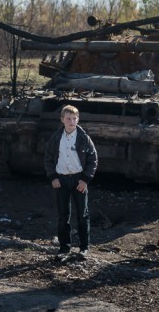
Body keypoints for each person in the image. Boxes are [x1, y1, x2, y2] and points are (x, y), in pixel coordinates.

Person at [43, 104, 98, 258]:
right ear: (62, 120)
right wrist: (53, 177)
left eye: (74, 118)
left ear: (78, 119)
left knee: (82, 215)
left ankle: (84, 248)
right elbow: (48, 158)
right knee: (63, 216)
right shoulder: (56, 138)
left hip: (78, 179)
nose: (72, 122)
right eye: (68, 118)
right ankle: (64, 247)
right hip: (61, 180)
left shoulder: (83, 138)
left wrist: (85, 180)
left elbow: (93, 159)